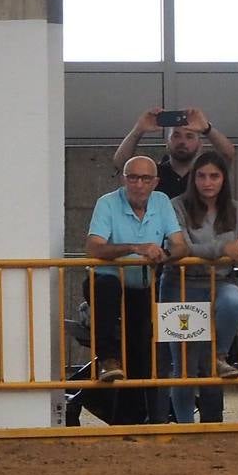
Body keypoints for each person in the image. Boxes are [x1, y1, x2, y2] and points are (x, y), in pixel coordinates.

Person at [159, 151, 238, 423]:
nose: (207, 182)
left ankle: (219, 354)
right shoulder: (176, 205)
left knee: (235, 300)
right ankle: (186, 426)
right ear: (193, 179)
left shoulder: (236, 209)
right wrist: (224, 248)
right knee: (184, 366)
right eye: (201, 176)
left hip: (221, 283)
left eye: (214, 176)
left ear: (224, 179)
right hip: (180, 285)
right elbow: (182, 247)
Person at [83, 155, 187, 396]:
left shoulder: (162, 202)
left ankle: (137, 419)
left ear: (155, 182)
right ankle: (107, 359)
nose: (138, 184)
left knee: (141, 353)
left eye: (145, 178)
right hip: (106, 282)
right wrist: (134, 248)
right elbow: (93, 247)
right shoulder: (107, 203)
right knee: (107, 287)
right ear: (123, 179)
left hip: (142, 286)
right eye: (133, 177)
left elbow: (181, 246)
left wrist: (164, 254)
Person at [112, 107, 235, 200]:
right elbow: (121, 163)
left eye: (189, 136)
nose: (182, 142)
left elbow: (228, 154)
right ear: (167, 142)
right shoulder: (154, 173)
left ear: (200, 144)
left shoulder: (205, 174)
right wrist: (138, 130)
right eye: (176, 136)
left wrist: (207, 129)